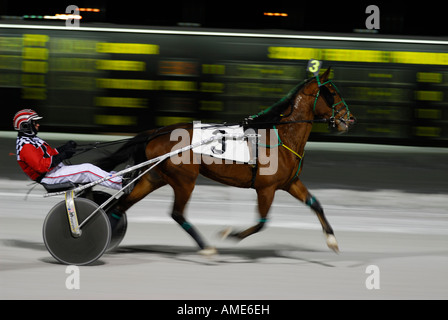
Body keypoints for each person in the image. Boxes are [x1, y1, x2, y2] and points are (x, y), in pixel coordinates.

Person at [13, 108, 123, 190]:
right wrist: (63, 155)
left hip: (54, 171)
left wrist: (64, 148)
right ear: (25, 126)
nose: (38, 125)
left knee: (91, 168)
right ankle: (119, 184)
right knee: (87, 169)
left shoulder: (31, 139)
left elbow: (50, 155)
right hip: (49, 177)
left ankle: (118, 177)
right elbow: (41, 167)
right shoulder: (26, 146)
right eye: (34, 122)